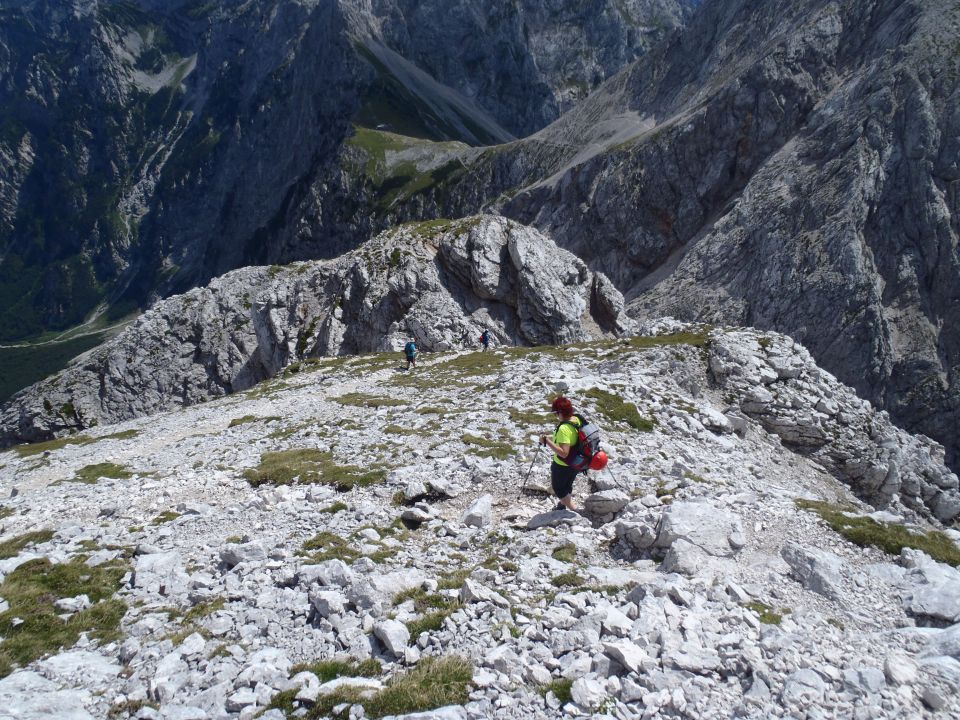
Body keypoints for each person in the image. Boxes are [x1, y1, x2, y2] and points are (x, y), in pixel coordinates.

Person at [540, 396, 581, 511]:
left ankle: (575, 511)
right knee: (567, 485)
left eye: (556, 413)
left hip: (562, 465)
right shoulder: (576, 420)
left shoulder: (563, 429)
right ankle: (563, 505)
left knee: (559, 488)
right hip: (576, 462)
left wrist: (547, 441)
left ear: (560, 413)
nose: (556, 416)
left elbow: (564, 453)